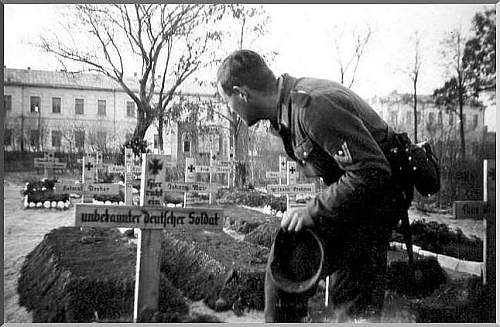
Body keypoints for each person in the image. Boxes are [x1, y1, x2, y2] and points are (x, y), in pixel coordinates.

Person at [216, 49, 408, 322]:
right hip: (356, 202)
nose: (229, 109)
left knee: (349, 306)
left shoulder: (312, 107)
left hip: (374, 204)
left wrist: (313, 210)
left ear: (242, 93)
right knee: (288, 268)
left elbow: (372, 171)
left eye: (228, 101)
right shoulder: (286, 112)